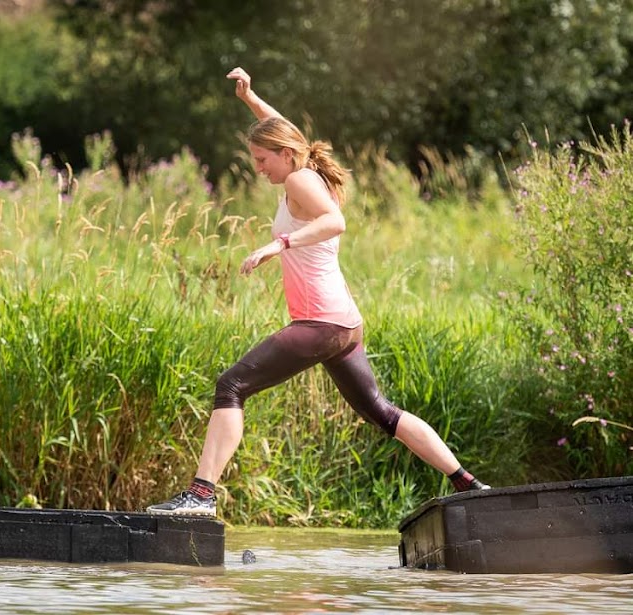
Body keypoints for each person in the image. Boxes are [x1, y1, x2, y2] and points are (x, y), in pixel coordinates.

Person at [146, 68, 489, 517]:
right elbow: (289, 135)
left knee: (230, 385)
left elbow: (335, 221)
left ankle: (201, 496)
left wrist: (279, 244)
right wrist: (252, 100)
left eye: (262, 160)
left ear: (285, 156)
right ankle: (468, 483)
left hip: (321, 322)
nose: (258, 168)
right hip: (344, 324)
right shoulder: (304, 167)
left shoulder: (299, 180)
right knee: (383, 412)